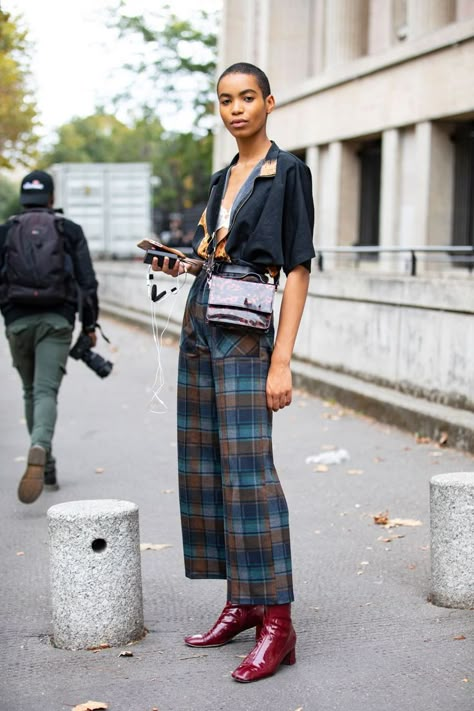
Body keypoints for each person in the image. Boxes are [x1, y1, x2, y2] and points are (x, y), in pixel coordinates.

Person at [151, 62, 315, 682]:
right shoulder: (223, 178)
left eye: (247, 97)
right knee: (206, 463)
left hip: (246, 332)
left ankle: (278, 619)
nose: (236, 108)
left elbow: (297, 268)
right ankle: (242, 600)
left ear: (269, 102)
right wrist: (179, 265)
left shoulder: (287, 171)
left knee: (251, 473)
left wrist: (282, 360)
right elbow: (211, 255)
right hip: (201, 318)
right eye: (226, 100)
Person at [0, 170, 99, 504]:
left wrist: (9, 313)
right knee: (45, 392)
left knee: (30, 391)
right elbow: (88, 283)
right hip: (57, 318)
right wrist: (89, 326)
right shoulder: (68, 230)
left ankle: (47, 463)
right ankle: (42, 449)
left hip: (17, 321)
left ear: (23, 197)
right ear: (52, 198)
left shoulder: (6, 231)